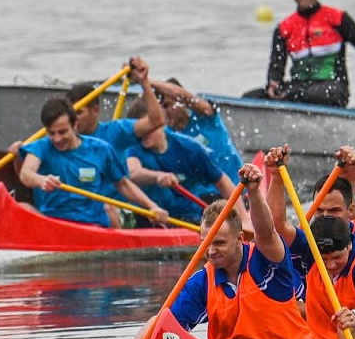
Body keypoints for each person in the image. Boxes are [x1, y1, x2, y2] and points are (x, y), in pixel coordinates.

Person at [125, 163, 314, 339]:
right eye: (206, 243)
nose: (211, 251)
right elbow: (163, 321)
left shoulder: (265, 261)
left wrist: (254, 192)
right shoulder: (202, 282)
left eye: (220, 243)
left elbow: (266, 232)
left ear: (240, 239)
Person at [16, 97, 168, 228]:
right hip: (54, 222)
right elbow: (26, 174)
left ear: (75, 125)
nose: (57, 139)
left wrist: (151, 206)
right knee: (22, 207)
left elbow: (122, 184)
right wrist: (41, 180)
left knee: (109, 209)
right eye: (52, 133)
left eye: (62, 132)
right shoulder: (41, 147)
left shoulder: (100, 149)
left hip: (92, 224)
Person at [245, 0, 355, 108]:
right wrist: (273, 84)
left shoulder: (337, 18)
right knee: (250, 98)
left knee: (303, 94)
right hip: (298, 88)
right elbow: (276, 65)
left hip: (333, 89)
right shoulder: (284, 28)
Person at [265, 144, 355, 281]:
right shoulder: (309, 240)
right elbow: (275, 227)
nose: (325, 216)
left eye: (334, 210)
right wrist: (276, 175)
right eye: (319, 210)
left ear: (350, 210)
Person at [124, 97, 251, 227]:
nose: (142, 134)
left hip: (186, 217)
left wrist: (244, 221)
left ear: (161, 123)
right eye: (138, 129)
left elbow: (223, 182)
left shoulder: (189, 148)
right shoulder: (133, 145)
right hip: (149, 214)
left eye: (147, 127)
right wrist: (157, 176)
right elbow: (133, 172)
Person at [65, 57, 165, 165]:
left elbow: (156, 121)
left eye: (79, 113)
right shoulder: (60, 139)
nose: (73, 119)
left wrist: (144, 81)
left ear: (95, 110)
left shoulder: (115, 132)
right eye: (70, 114)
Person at [151, 77, 243, 187]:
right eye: (160, 108)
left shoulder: (205, 117)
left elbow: (183, 95)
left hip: (236, 189)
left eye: (167, 105)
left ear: (181, 103)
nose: (164, 113)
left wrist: (146, 80)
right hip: (200, 198)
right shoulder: (167, 135)